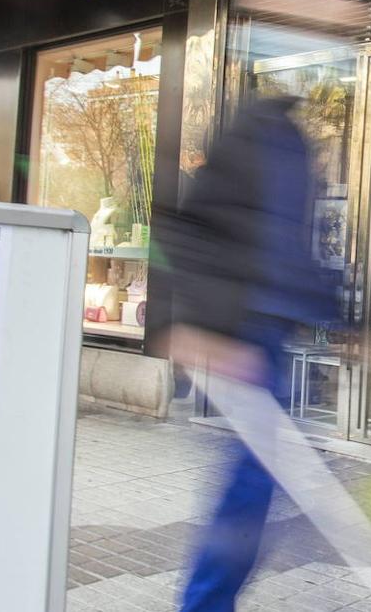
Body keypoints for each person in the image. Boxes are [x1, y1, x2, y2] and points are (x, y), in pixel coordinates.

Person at [148, 93, 335, 612]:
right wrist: (188, 325)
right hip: (246, 330)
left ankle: (210, 599)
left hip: (268, 329)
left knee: (263, 481)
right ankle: (205, 603)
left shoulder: (292, 137)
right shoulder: (254, 132)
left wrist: (342, 319)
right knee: (251, 485)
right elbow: (185, 226)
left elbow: (286, 248)